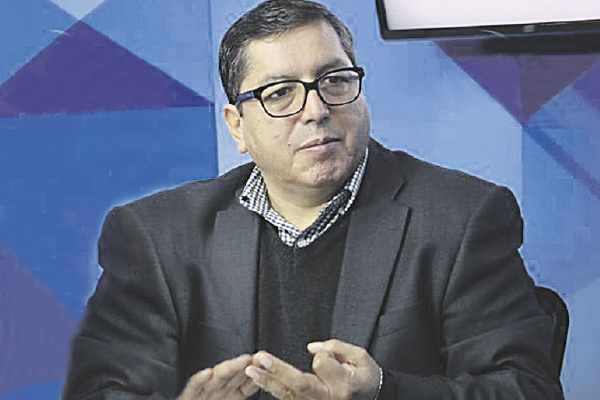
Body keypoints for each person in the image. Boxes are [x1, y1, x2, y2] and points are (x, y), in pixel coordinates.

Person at [62, 1, 565, 399]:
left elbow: (527, 389)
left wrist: (383, 392)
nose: (316, 110)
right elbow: (100, 390)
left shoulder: (462, 217)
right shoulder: (157, 236)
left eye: (335, 81)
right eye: (280, 93)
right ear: (237, 126)